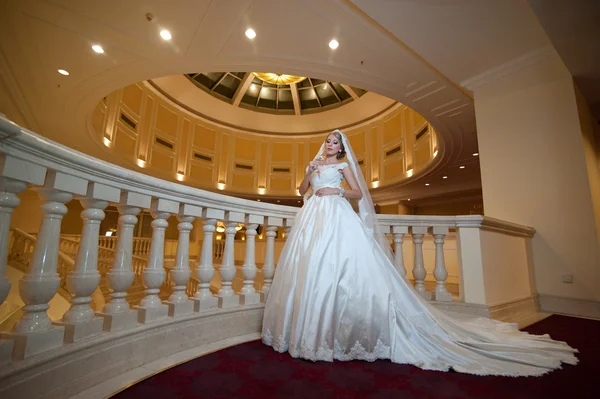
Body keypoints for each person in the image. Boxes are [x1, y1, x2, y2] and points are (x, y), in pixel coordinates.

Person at [261, 129, 578, 376]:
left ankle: (342, 332)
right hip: (313, 219)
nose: (329, 145)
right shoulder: (315, 163)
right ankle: (307, 331)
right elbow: (301, 190)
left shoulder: (343, 166)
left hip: (337, 215)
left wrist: (336, 189)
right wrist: (310, 172)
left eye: (333, 142)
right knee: (310, 271)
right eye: (327, 141)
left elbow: (359, 193)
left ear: (341, 148)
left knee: (341, 271)